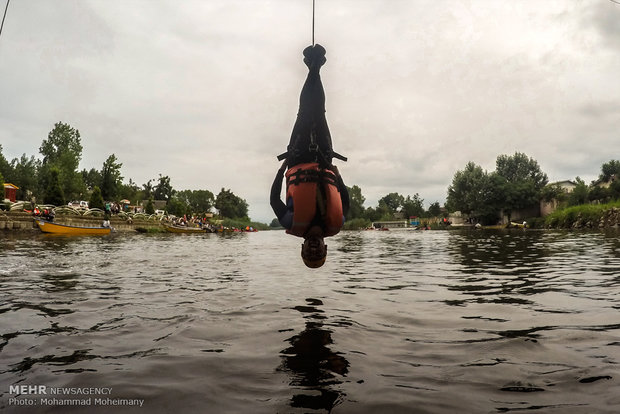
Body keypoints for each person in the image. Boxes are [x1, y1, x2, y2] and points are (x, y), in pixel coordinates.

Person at [271, 44, 349, 268]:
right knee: (320, 111)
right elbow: (347, 202)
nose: (313, 249)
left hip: (296, 158)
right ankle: (314, 67)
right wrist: (336, 173)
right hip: (324, 159)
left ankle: (315, 67)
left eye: (309, 253)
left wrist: (282, 168)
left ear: (302, 249)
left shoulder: (292, 223)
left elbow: (274, 200)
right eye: (318, 253)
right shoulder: (335, 224)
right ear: (325, 249)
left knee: (305, 111)